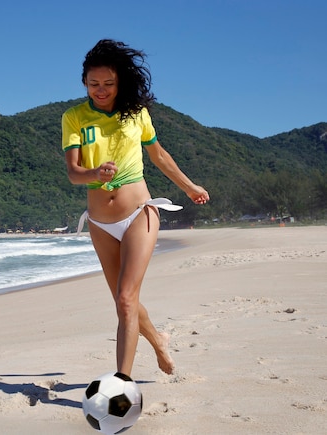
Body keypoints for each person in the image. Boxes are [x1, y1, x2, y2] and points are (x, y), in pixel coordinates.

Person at [62, 39, 209, 376]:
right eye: (94, 83)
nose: (101, 90)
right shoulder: (74, 118)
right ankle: (158, 340)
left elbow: (158, 155)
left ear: (120, 82)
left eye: (108, 84)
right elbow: (73, 173)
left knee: (126, 299)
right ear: (84, 81)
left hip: (138, 214)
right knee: (123, 301)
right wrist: (93, 174)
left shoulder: (136, 114)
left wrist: (189, 188)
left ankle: (121, 386)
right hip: (99, 222)